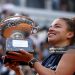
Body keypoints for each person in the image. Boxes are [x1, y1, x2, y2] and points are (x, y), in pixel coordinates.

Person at [4, 17, 75, 75]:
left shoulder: (72, 52)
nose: (50, 29)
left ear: (70, 34)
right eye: (50, 27)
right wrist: (17, 70)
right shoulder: (50, 57)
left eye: (57, 26)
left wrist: (31, 60)